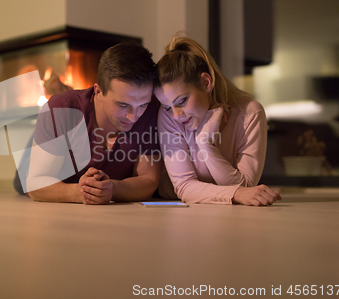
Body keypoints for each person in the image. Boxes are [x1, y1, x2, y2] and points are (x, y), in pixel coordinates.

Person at [26, 42, 162, 204]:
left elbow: (149, 181)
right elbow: (35, 184)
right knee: (22, 177)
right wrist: (78, 192)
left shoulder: (152, 111)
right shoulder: (61, 108)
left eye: (142, 105)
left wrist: (112, 189)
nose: (133, 117)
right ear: (98, 91)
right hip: (54, 159)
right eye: (123, 105)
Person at [155, 33, 282, 206]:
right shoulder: (168, 117)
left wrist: (206, 144)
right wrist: (237, 193)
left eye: (182, 101)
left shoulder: (250, 114)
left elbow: (246, 186)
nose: (176, 115)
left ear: (206, 83)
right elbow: (184, 187)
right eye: (168, 107)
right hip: (174, 209)